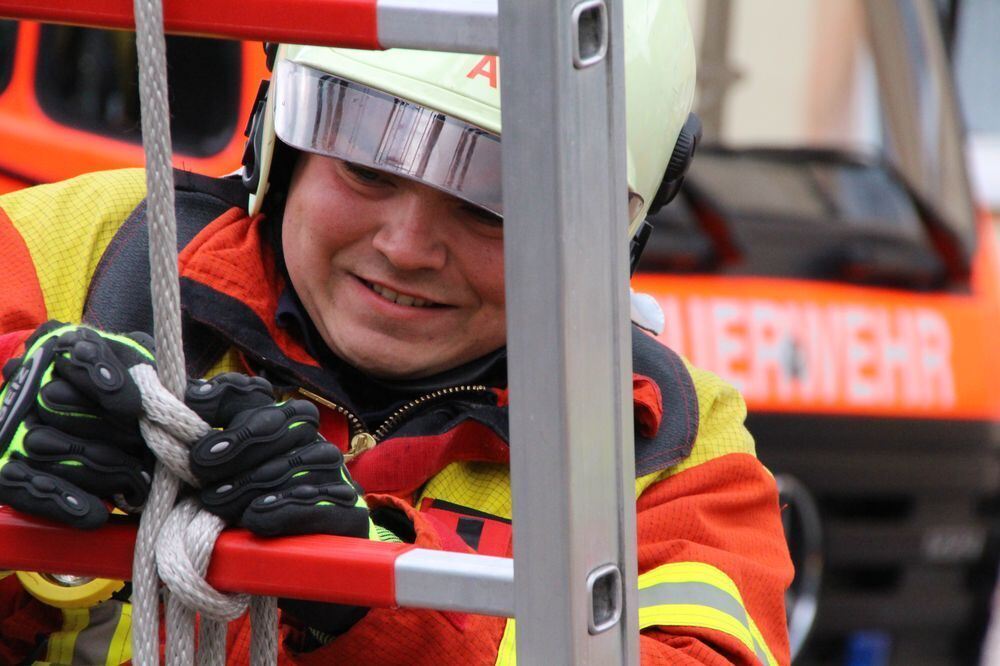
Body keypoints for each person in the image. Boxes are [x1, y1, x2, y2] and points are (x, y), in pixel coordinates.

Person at [0, 0, 793, 663]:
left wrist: (369, 596)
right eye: (368, 168)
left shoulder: (662, 448)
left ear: (599, 240)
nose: (406, 248)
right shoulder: (80, 253)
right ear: (279, 139)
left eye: (492, 204)